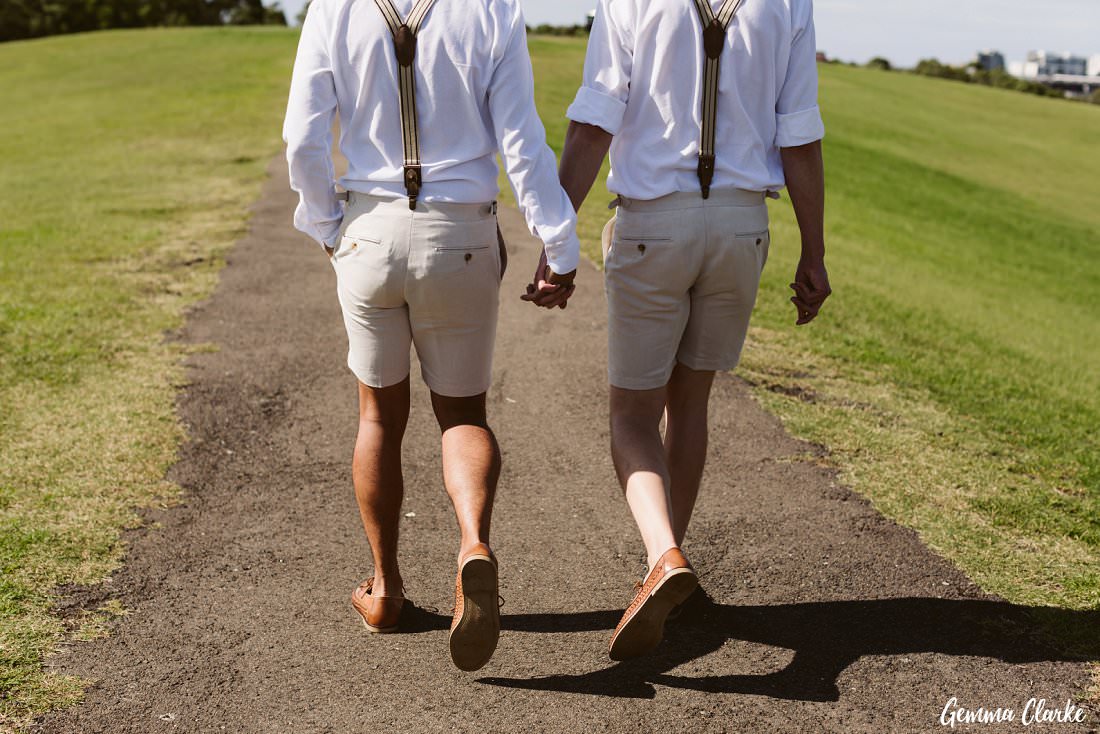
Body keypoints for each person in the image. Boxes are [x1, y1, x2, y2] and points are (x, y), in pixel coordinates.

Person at [283, 0, 579, 672]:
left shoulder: (336, 7)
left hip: (369, 230)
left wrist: (326, 224)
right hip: (462, 234)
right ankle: (473, 543)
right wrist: (557, 241)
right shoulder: (493, 8)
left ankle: (385, 590)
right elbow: (521, 139)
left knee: (379, 415)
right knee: (462, 413)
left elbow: (301, 135)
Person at [541, 0, 832, 660]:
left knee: (633, 417)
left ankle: (662, 555)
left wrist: (555, 239)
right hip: (739, 226)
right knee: (690, 403)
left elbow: (593, 125)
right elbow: (801, 136)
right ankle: (666, 568)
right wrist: (813, 252)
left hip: (654, 224)